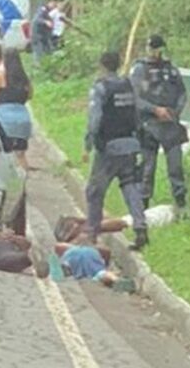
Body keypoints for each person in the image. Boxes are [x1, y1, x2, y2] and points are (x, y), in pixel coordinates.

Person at [83, 52, 148, 251]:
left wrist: (89, 143)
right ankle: (140, 227)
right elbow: (137, 114)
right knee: (130, 186)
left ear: (102, 66)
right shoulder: (128, 86)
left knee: (95, 191)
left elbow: (95, 119)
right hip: (130, 144)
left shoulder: (101, 88)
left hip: (109, 147)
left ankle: (92, 233)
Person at [130, 34, 189, 209]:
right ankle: (143, 205)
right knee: (147, 168)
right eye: (152, 49)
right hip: (148, 124)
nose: (155, 53)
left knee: (176, 167)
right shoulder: (140, 69)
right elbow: (135, 98)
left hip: (170, 123)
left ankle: (180, 203)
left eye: (158, 49)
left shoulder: (171, 69)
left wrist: (175, 111)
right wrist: (155, 110)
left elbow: (182, 93)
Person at [0, 48, 33, 171]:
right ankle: (23, 184)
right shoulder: (24, 78)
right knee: (20, 155)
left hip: (3, 119)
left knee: (2, 155)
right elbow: (30, 95)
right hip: (23, 118)